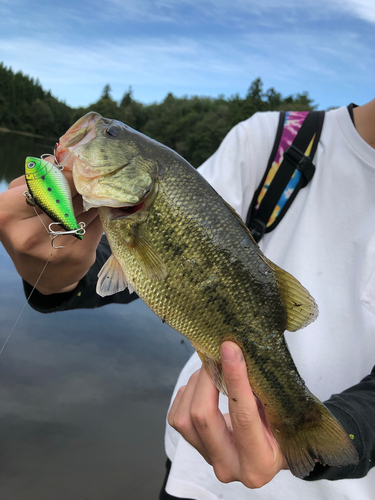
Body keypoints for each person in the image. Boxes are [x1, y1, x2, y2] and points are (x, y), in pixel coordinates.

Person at [0, 99, 374, 500]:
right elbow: (112, 271)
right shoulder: (276, 142)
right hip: (196, 473)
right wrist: (57, 272)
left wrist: (337, 428)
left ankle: (304, 423)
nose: (99, 130)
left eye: (109, 134)